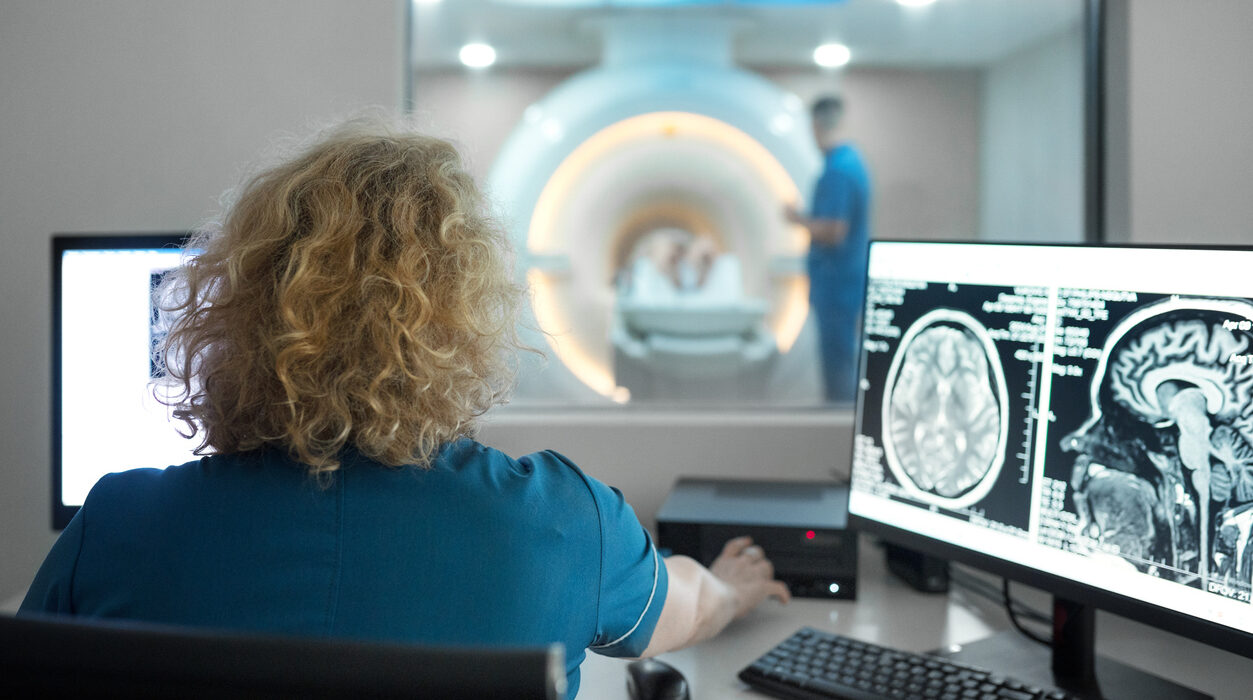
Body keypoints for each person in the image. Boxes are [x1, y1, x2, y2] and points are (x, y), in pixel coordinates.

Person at [19, 115, 790, 698]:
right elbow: (687, 607)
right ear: (465, 320)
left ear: (241, 309)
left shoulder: (116, 525)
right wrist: (729, 584)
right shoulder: (561, 523)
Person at [785, 95, 872, 402]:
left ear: (816, 126)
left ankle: (837, 423)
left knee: (838, 369)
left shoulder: (837, 171)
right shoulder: (851, 162)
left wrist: (797, 219)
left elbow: (835, 231)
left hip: (837, 287)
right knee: (842, 361)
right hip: (844, 283)